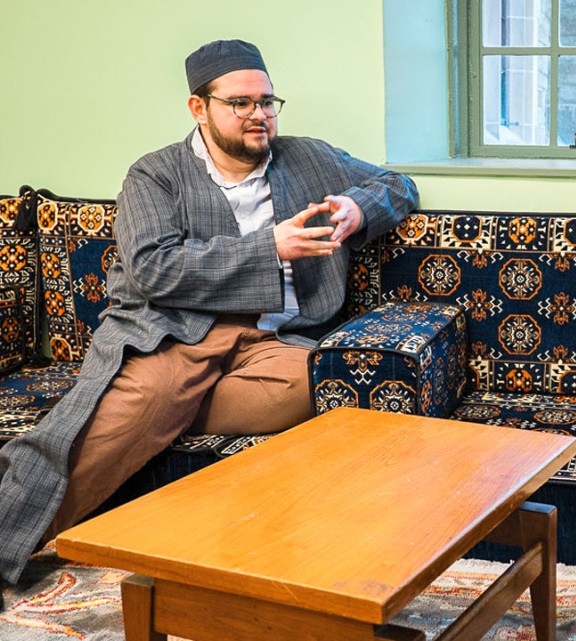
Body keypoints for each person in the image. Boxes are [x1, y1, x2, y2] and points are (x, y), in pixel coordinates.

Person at [0, 39, 418, 596]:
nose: (258, 115)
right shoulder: (155, 175)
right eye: (240, 103)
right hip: (174, 331)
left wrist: (359, 208)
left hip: (278, 336)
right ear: (200, 108)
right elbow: (152, 269)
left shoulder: (310, 156)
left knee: (312, 384)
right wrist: (269, 248)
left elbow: (398, 184)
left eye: (267, 101)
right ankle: (9, 543)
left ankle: (163, 408)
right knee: (138, 405)